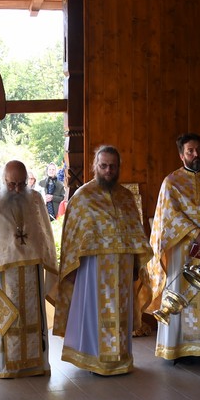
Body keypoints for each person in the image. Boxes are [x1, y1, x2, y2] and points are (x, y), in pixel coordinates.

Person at [50, 146, 150, 375]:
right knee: (94, 311)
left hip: (123, 266)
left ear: (118, 168)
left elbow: (135, 232)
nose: (108, 170)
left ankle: (120, 357)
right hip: (93, 267)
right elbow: (71, 237)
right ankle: (93, 358)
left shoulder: (126, 197)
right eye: (103, 166)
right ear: (95, 166)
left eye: (112, 166)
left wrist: (136, 265)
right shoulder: (83, 196)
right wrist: (71, 268)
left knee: (121, 311)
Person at [142, 133, 200, 361]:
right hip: (181, 249)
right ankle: (177, 349)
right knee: (179, 292)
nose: (196, 154)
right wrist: (197, 233)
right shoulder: (171, 182)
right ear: (181, 155)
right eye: (190, 151)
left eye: (199, 150)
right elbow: (168, 216)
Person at [0, 160, 57, 378]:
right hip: (3, 275)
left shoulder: (35, 199)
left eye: (21, 184)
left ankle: (35, 365)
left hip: (32, 271)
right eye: (11, 184)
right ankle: (4, 366)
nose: (16, 189)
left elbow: (44, 233)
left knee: (33, 318)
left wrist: (47, 259)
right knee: (5, 319)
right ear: (3, 180)